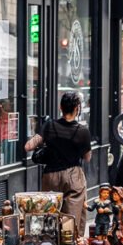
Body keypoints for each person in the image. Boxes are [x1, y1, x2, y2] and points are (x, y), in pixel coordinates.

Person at [24, 91, 92, 235]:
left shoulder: (49, 125)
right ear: (77, 109)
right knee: (71, 218)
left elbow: (28, 146)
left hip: (51, 176)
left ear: (60, 107)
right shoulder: (83, 131)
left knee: (49, 214)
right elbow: (87, 157)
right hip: (73, 175)